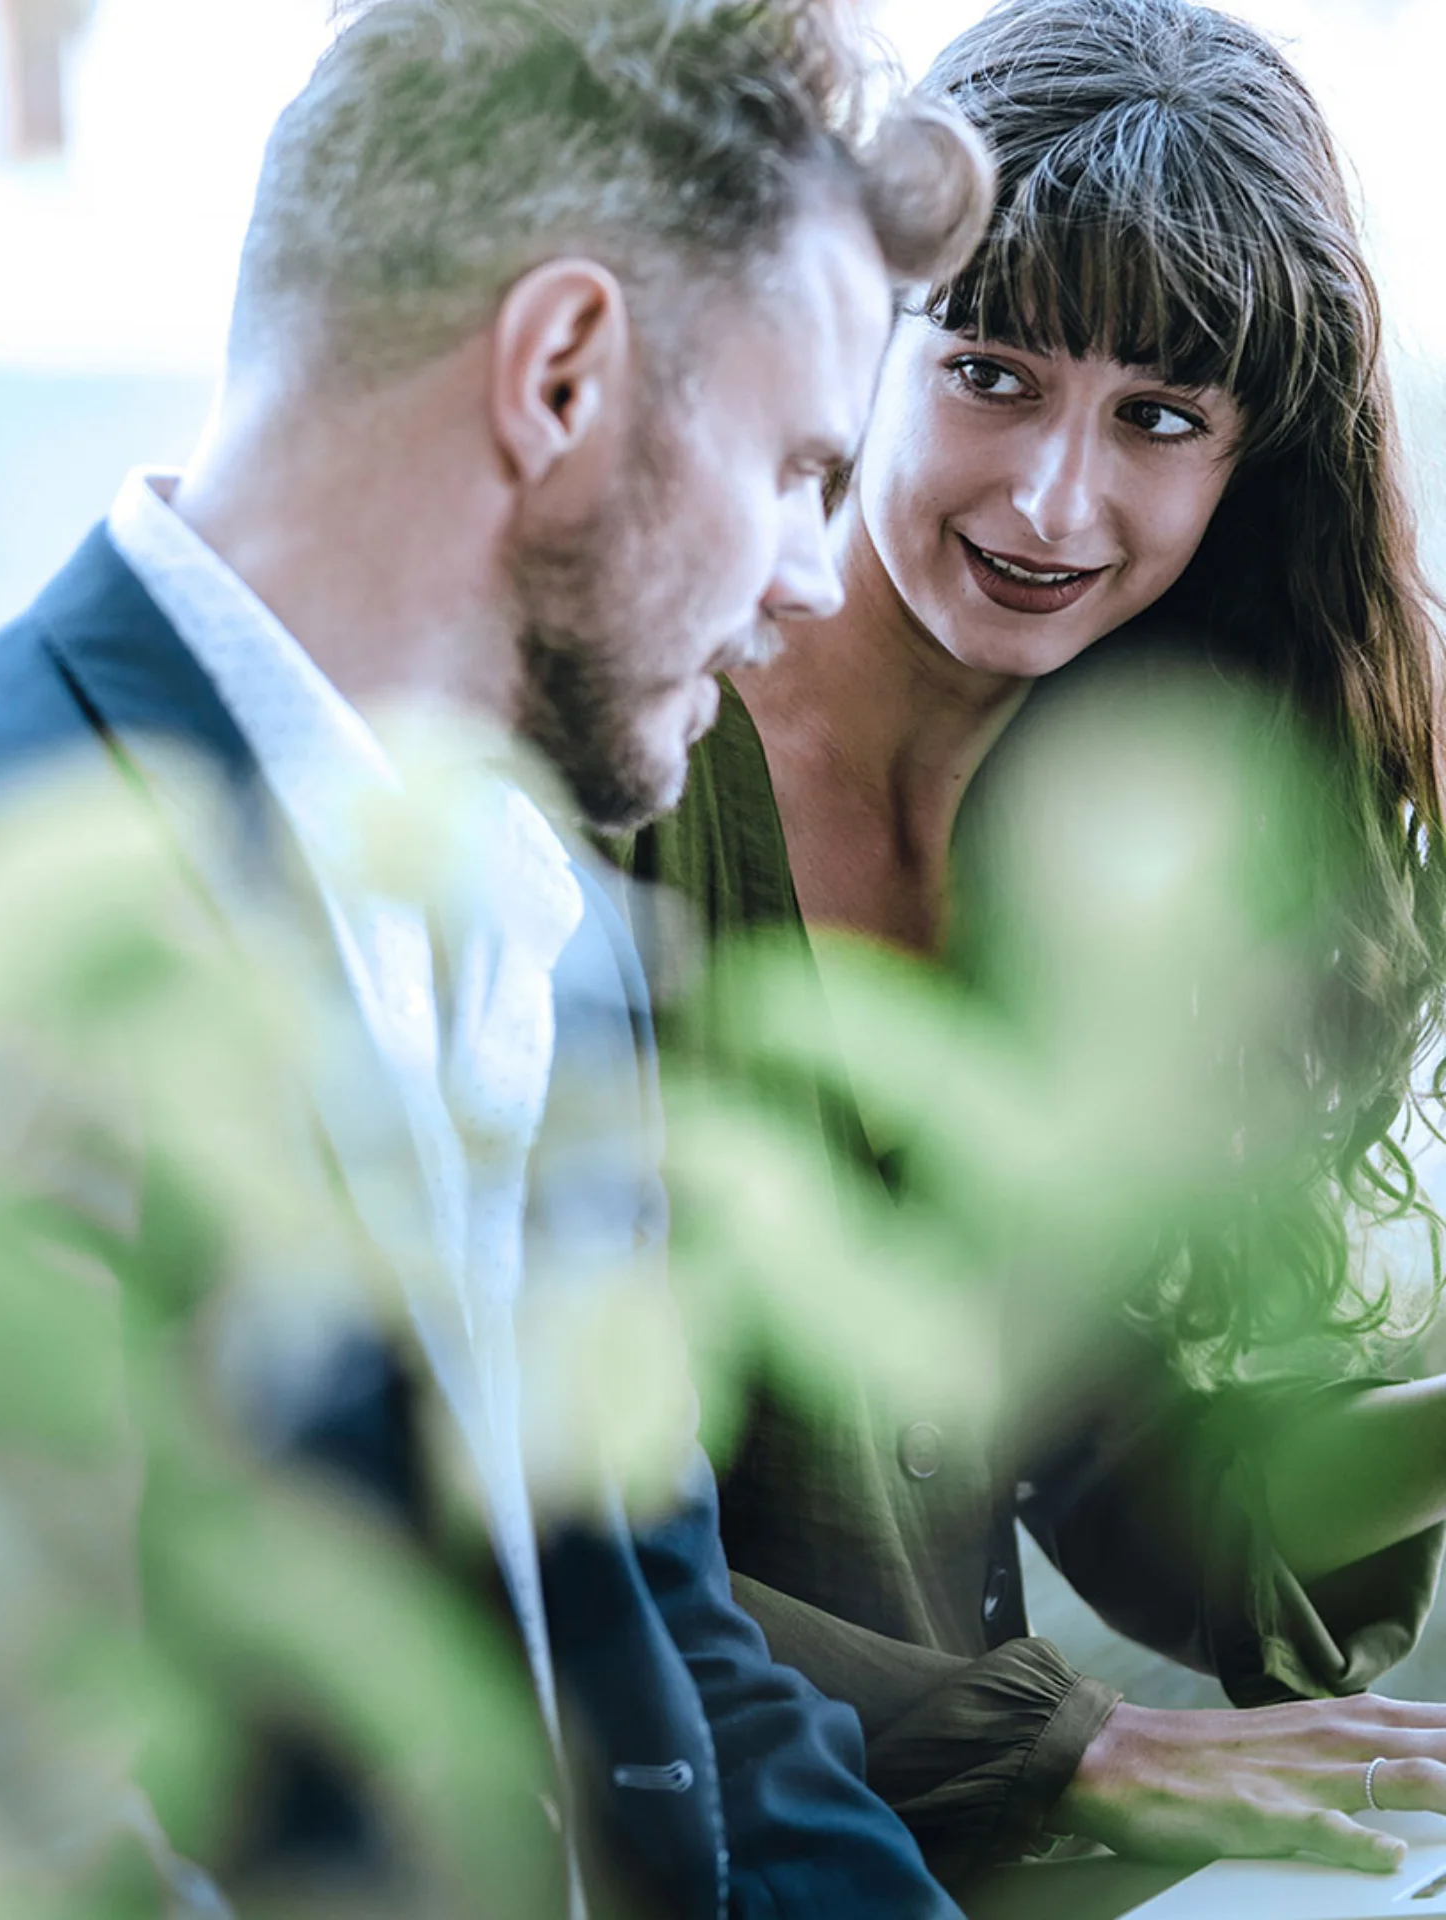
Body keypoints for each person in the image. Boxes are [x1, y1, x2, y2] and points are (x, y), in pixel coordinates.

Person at [0, 0, 996, 1914]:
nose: (812, 576)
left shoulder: (562, 940)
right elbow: (8, 1802)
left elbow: (681, 1676)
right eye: (796, 465)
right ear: (560, 375)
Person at [615, 0, 1446, 1891]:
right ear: (865, 335)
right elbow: (496, 1497)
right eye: (993, 372)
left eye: (1160, 418)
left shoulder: (1119, 853)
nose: (1056, 501)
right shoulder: (630, 755)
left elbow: (1154, 1508)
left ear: (1251, 470)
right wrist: (1080, 1752)